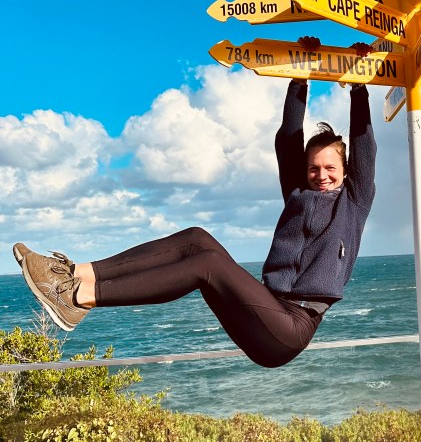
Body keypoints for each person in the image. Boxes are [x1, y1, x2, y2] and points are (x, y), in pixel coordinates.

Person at [14, 76, 376, 368]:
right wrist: (299, 80)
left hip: (289, 329)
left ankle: (79, 297)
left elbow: (365, 147)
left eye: (330, 168)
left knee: (208, 264)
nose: (321, 175)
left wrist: (359, 88)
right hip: (266, 307)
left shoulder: (354, 202)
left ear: (346, 172)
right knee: (196, 239)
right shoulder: (298, 195)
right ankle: (73, 274)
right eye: (313, 168)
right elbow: (288, 138)